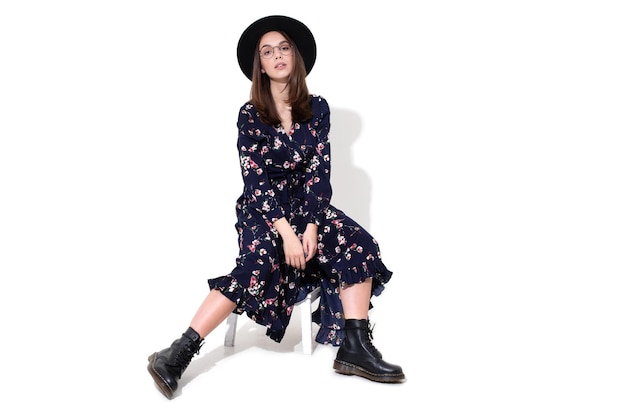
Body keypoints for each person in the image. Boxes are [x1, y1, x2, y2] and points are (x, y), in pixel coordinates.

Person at [147, 15, 405, 399]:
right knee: (258, 261)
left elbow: (320, 171)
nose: (277, 55)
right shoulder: (250, 115)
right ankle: (178, 352)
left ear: (295, 57)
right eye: (267, 52)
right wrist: (286, 233)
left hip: (308, 208)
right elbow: (254, 180)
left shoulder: (317, 108)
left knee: (359, 242)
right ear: (261, 66)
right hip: (262, 210)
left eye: (283, 48)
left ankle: (355, 347)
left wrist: (313, 226)